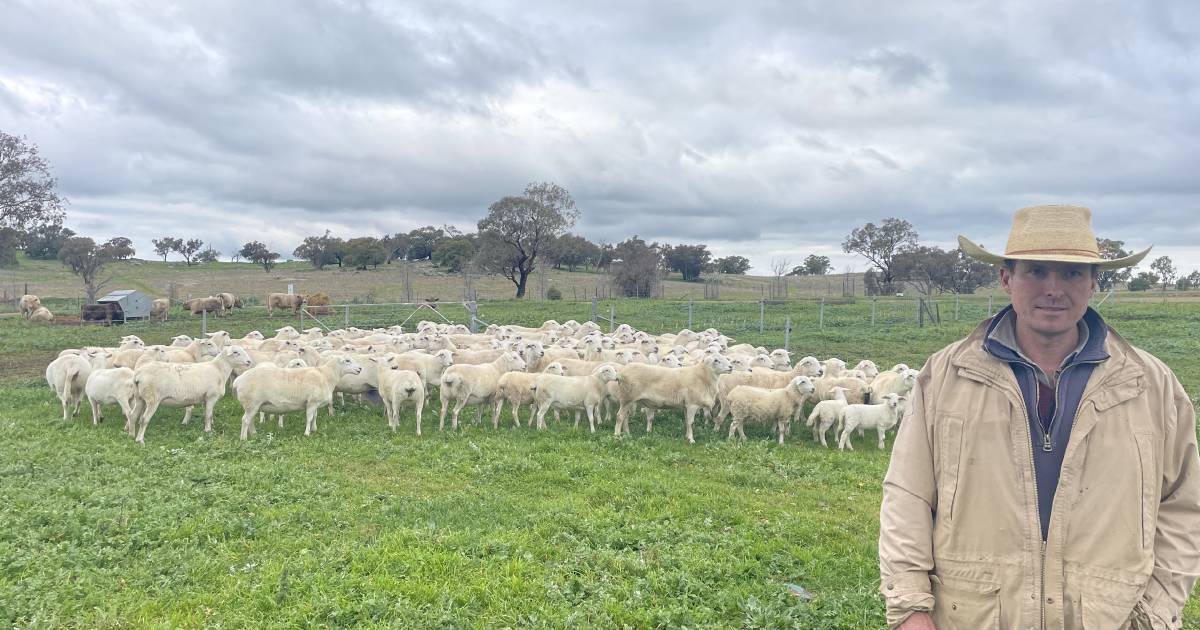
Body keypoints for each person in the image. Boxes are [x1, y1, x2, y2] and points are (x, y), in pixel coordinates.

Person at [878, 205, 1200, 629]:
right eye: (1035, 271)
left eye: (1070, 273)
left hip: (1112, 619)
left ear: (1093, 282)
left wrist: (1156, 610)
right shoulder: (945, 377)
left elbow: (1184, 504)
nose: (1053, 288)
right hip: (974, 617)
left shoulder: (1150, 385)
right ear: (1006, 278)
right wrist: (911, 608)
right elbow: (908, 494)